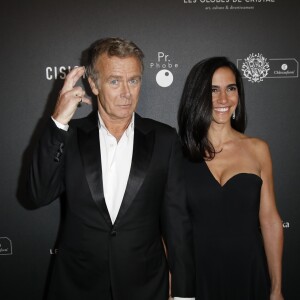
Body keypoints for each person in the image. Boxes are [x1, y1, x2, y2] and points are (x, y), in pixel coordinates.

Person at [27, 38, 195, 300]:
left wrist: (184, 294)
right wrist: (58, 122)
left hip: (146, 288)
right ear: (93, 84)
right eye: (115, 81)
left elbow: (177, 223)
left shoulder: (164, 139)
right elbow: (37, 194)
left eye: (134, 80)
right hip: (77, 288)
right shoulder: (69, 137)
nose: (126, 93)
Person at [178, 57, 284, 300]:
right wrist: (173, 283)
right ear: (198, 95)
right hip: (198, 277)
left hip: (249, 272)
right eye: (213, 90)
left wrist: (276, 288)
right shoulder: (177, 154)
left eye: (231, 88)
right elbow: (169, 227)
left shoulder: (258, 149)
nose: (223, 99)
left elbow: (269, 221)